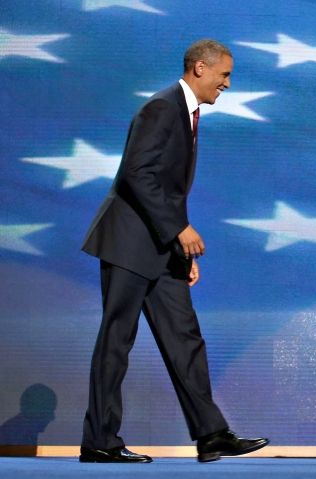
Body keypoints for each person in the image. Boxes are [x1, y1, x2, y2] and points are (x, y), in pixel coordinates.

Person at [79, 39, 268, 463]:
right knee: (117, 341)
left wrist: (179, 252)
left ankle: (211, 433)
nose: (228, 84)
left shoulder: (186, 113)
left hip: (161, 249)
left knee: (185, 338)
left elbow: (164, 188)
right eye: (225, 76)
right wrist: (179, 229)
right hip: (129, 244)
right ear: (200, 69)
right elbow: (136, 173)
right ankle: (99, 442)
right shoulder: (162, 107)